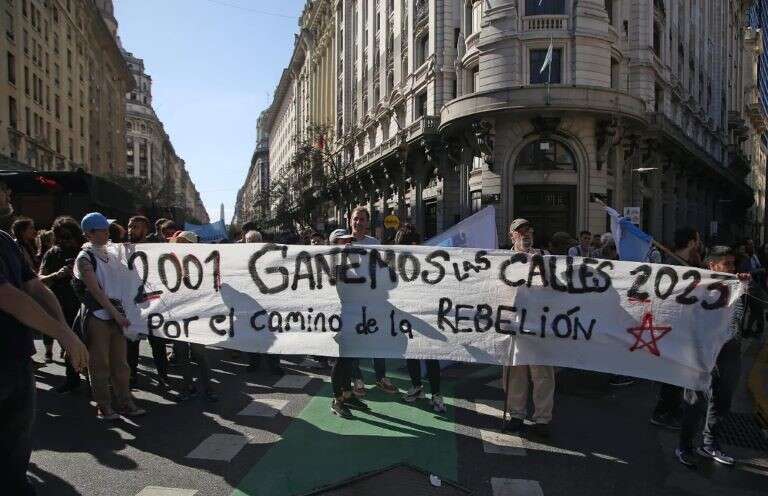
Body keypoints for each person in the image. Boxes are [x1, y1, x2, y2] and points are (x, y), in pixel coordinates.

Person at [0, 180, 89, 495]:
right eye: (2, 189)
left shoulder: (4, 241)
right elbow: (7, 296)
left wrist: (65, 331)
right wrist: (62, 333)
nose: (8, 194)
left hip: (16, 358)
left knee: (16, 439)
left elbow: (35, 287)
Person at [676, 246, 748, 467]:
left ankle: (710, 444)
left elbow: (752, 306)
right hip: (702, 350)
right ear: (712, 265)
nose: (732, 268)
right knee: (695, 399)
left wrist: (745, 286)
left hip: (730, 349)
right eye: (727, 263)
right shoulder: (699, 287)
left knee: (722, 398)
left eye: (733, 263)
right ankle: (684, 446)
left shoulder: (738, 286)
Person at [73, 212, 145, 419]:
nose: (107, 233)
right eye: (102, 230)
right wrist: (116, 315)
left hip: (116, 314)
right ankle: (104, 405)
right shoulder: (84, 258)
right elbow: (96, 292)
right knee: (100, 363)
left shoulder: (111, 253)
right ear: (89, 234)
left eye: (107, 229)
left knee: (121, 364)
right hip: (98, 315)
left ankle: (125, 401)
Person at [502, 218, 555, 437]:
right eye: (520, 231)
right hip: (514, 326)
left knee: (542, 374)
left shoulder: (544, 257)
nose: (525, 234)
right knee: (515, 373)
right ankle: (516, 415)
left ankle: (542, 419)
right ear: (511, 236)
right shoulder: (500, 260)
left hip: (538, 325)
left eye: (528, 230)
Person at [649, 227, 701, 430]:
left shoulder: (688, 264)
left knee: (679, 374)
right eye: (697, 240)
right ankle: (663, 412)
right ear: (691, 242)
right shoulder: (673, 266)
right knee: (673, 374)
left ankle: (672, 409)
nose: (699, 244)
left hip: (683, 329)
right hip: (673, 329)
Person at [347, 206, 398, 395]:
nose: (358, 222)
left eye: (362, 219)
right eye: (355, 219)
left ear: (367, 222)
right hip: (351, 302)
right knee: (355, 342)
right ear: (350, 221)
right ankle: (357, 378)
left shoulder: (374, 243)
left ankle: (381, 377)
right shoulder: (342, 242)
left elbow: (382, 268)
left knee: (377, 339)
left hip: (373, 300)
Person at [396, 224, 446, 413]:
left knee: (430, 356)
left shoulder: (427, 262)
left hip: (426, 317)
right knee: (411, 354)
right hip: (408, 316)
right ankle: (418, 387)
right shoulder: (399, 264)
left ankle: (436, 393)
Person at [170, 230, 219, 402]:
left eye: (183, 242)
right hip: (178, 315)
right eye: (178, 241)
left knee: (199, 354)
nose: (180, 244)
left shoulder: (202, 263)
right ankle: (188, 386)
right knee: (181, 352)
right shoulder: (172, 262)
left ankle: (208, 387)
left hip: (197, 315)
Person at [38, 216, 86, 390]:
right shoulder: (53, 253)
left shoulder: (85, 250)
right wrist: (57, 274)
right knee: (68, 343)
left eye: (68, 236)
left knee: (91, 344)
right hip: (61, 304)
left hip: (85, 304)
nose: (65, 241)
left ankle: (94, 381)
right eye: (61, 237)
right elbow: (39, 279)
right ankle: (72, 379)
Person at [124, 216, 171, 388]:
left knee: (157, 342)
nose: (131, 230)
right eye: (129, 226)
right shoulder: (122, 250)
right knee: (131, 342)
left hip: (153, 303)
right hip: (132, 304)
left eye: (135, 227)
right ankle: (131, 375)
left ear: (145, 230)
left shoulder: (156, 249)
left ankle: (163, 376)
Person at [328, 228, 370, 418]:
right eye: (342, 241)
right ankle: (337, 400)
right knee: (341, 360)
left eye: (349, 241)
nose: (347, 244)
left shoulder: (354, 262)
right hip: (338, 319)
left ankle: (347, 394)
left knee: (350, 359)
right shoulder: (331, 264)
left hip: (354, 317)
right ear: (334, 245)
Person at [243, 229, 284, 376]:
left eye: (255, 241)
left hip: (268, 302)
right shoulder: (239, 257)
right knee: (251, 333)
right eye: (249, 241)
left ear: (260, 241)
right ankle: (253, 362)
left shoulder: (269, 255)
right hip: (249, 303)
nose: (252, 243)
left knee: (271, 333)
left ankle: (274, 364)